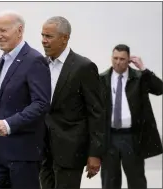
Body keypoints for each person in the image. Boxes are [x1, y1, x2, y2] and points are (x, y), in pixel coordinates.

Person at [0, 11, 51, 189]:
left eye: (3, 30)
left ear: (19, 30)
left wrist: (9, 124)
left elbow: (41, 104)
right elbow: (1, 105)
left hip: (24, 153)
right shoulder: (2, 61)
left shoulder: (34, 60)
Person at [39, 16, 106, 189]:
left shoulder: (84, 67)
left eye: (49, 36)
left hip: (71, 150)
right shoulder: (40, 65)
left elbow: (96, 113)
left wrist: (95, 154)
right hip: (42, 150)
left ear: (64, 38)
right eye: (42, 36)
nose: (44, 41)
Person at [100, 44, 163, 189]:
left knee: (136, 180)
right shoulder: (102, 79)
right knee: (109, 181)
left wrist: (143, 68)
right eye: (115, 58)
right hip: (109, 137)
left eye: (122, 59)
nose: (118, 62)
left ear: (129, 60)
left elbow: (159, 89)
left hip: (132, 136)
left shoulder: (140, 78)